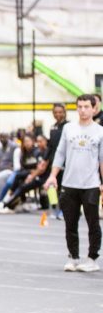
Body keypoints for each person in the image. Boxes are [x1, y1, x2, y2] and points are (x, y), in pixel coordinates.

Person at [45, 94, 103, 272]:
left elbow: (102, 160)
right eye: (80, 106)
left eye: (87, 106)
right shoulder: (68, 129)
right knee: (70, 223)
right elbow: (60, 154)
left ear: (94, 109)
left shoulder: (100, 131)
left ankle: (92, 258)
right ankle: (74, 257)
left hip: (91, 185)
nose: (83, 110)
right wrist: (52, 176)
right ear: (76, 108)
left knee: (93, 223)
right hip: (69, 184)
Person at [48, 103, 69, 219]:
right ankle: (55, 209)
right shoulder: (53, 127)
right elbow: (50, 146)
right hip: (54, 162)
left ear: (64, 112)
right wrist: (45, 161)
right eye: (55, 112)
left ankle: (63, 210)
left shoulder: (69, 126)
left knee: (63, 188)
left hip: (65, 163)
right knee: (52, 187)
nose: (58, 114)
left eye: (60, 112)